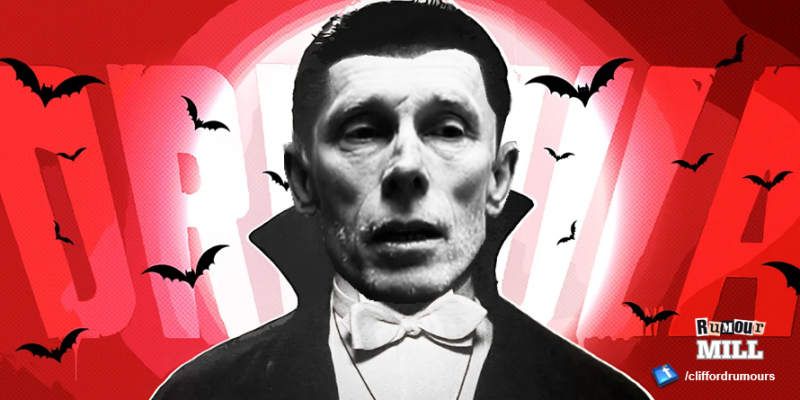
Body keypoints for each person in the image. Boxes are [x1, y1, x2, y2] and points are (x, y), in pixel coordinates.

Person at [151, 1, 652, 398]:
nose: (407, 168)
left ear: (499, 176)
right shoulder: (200, 395)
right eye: (363, 131)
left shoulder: (603, 396)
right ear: (302, 179)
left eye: (448, 129)